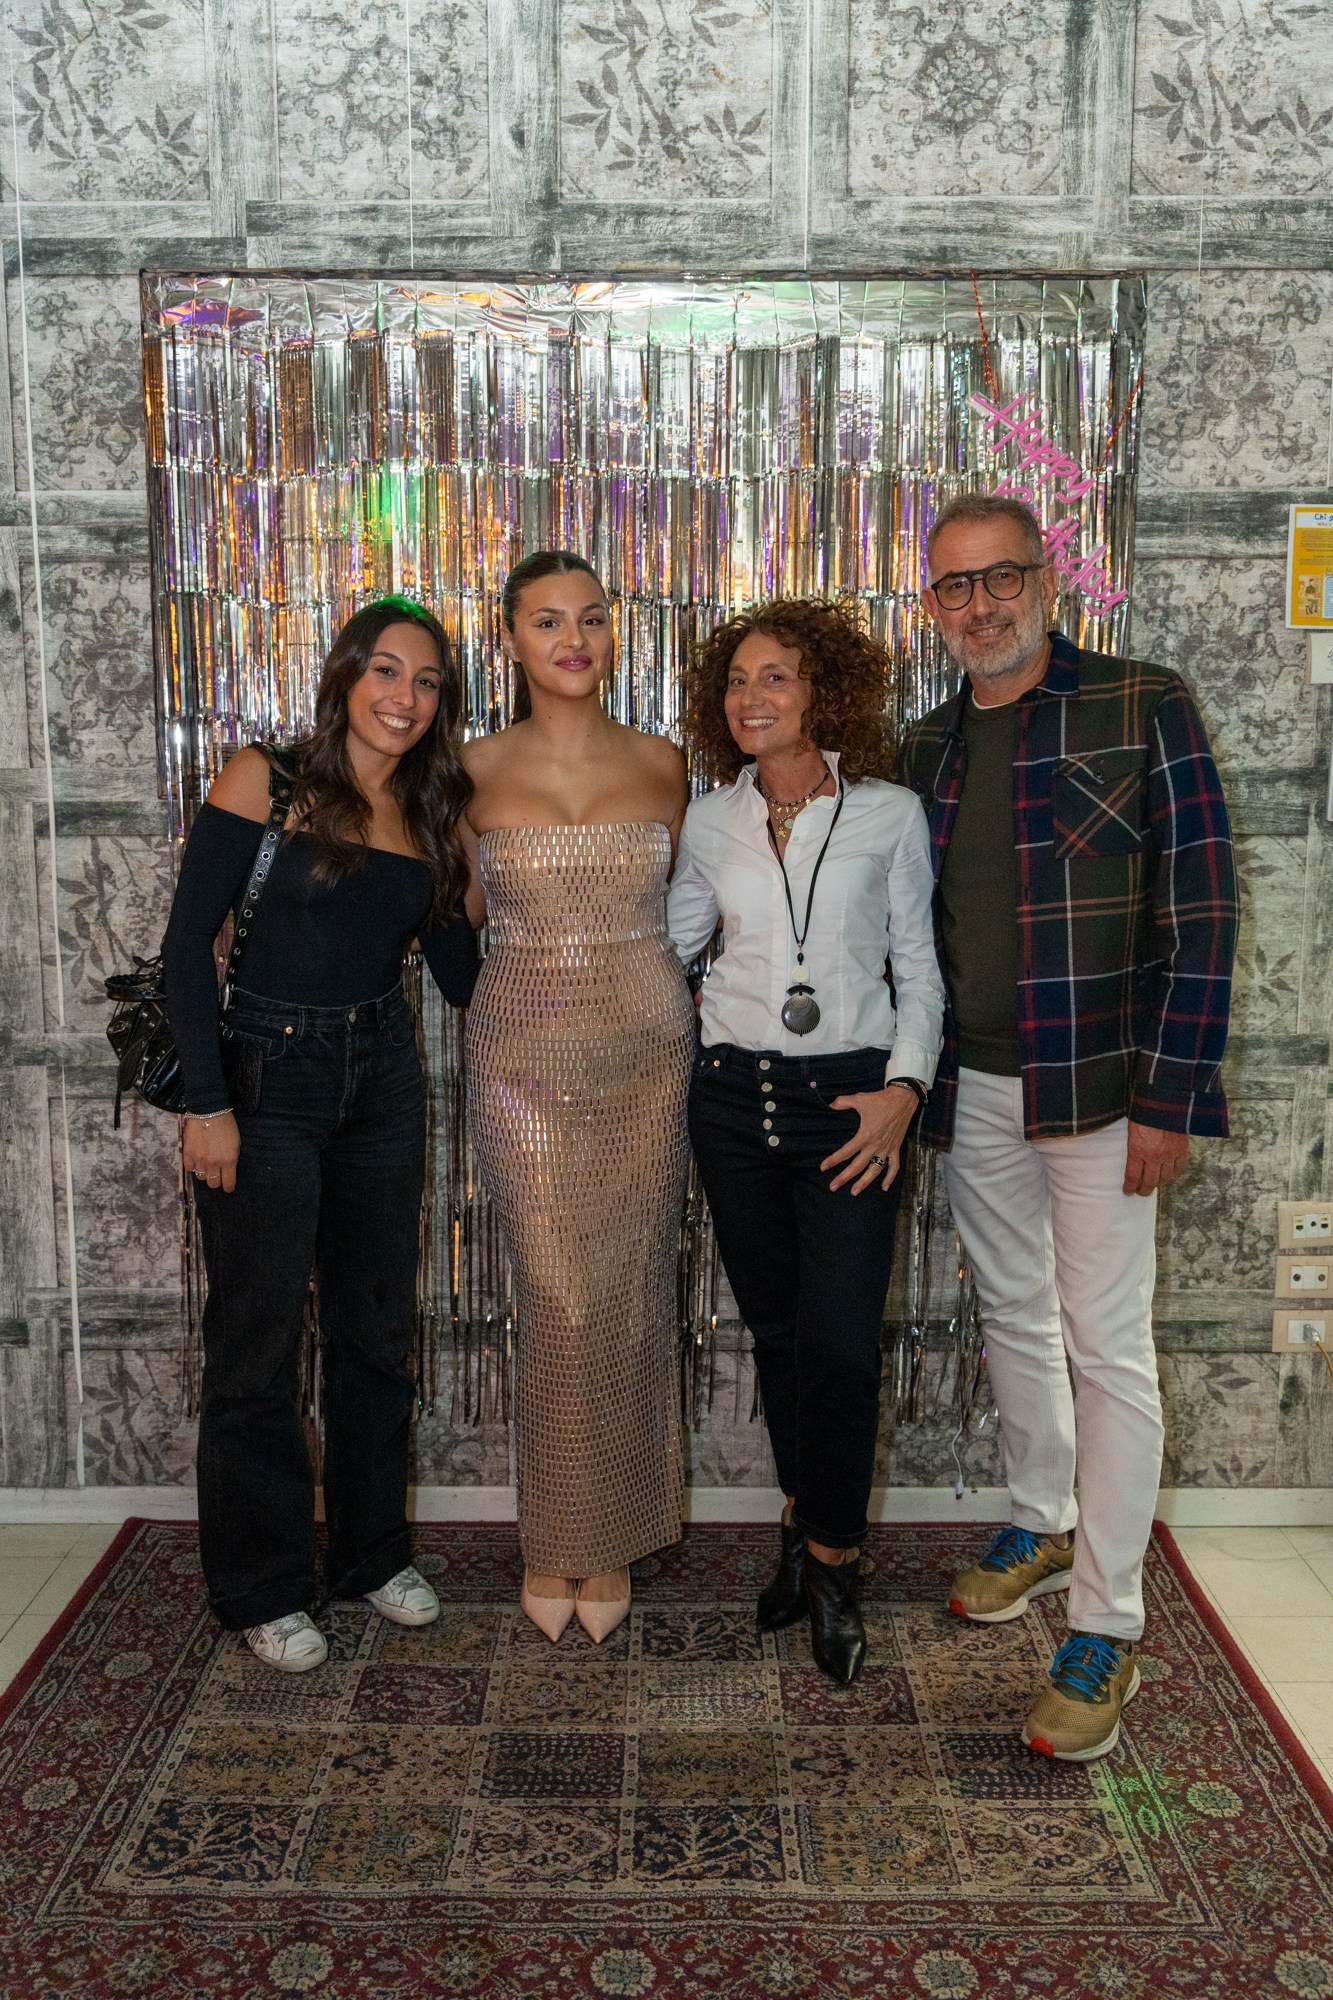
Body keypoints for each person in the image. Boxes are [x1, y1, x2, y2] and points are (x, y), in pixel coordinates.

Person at [901, 492, 1238, 1761]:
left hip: (1104, 1087)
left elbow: (1202, 910)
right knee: (1012, 1314)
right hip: (978, 1083)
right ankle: (1040, 1515)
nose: (980, 604)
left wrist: (1170, 1092)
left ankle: (1106, 1622)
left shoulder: (1141, 703)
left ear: (1047, 580)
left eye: (1001, 577)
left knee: (1108, 1345)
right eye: (954, 585)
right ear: (930, 605)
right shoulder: (926, 742)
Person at [162, 597, 478, 1672]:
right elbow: (185, 950)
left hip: (382, 1077)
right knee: (257, 1343)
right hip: (265, 1078)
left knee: (374, 1332)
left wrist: (489, 874)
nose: (404, 696)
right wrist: (208, 1105)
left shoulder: (430, 812)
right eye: (384, 670)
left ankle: (371, 1554)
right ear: (345, 677)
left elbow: (460, 978)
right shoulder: (267, 777)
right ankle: (263, 1584)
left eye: (426, 681)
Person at [668, 599, 944, 1685]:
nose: (753, 697)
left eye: (775, 676)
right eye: (738, 680)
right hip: (732, 1101)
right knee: (778, 1335)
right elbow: (670, 947)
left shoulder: (889, 813)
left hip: (851, 1101)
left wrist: (903, 1089)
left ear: (822, 691)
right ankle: (803, 1522)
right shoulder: (708, 821)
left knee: (838, 1342)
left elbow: (917, 970)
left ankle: (833, 1561)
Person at [462, 549, 694, 1644]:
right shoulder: (467, 771)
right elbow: (448, 914)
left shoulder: (664, 763)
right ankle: (553, 1531)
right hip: (519, 1057)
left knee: (631, 1289)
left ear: (613, 633)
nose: (573, 639)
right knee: (555, 1296)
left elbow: (696, 909)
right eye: (548, 620)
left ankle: (609, 1538)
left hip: (646, 1055)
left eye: (592, 618)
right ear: (509, 639)